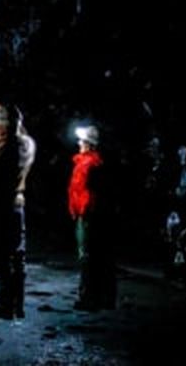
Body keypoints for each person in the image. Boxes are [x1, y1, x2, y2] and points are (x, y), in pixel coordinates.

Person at [0, 105, 35, 320]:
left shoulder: (5, 148)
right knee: (17, 257)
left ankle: (6, 307)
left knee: (1, 258)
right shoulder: (27, 144)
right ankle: (17, 306)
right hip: (17, 204)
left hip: (1, 206)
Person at [68, 125, 116, 310]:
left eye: (82, 141)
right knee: (99, 256)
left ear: (89, 144)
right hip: (91, 215)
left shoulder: (88, 165)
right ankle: (103, 298)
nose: (79, 143)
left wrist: (83, 212)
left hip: (88, 216)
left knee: (88, 257)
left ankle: (89, 298)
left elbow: (85, 193)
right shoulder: (94, 163)